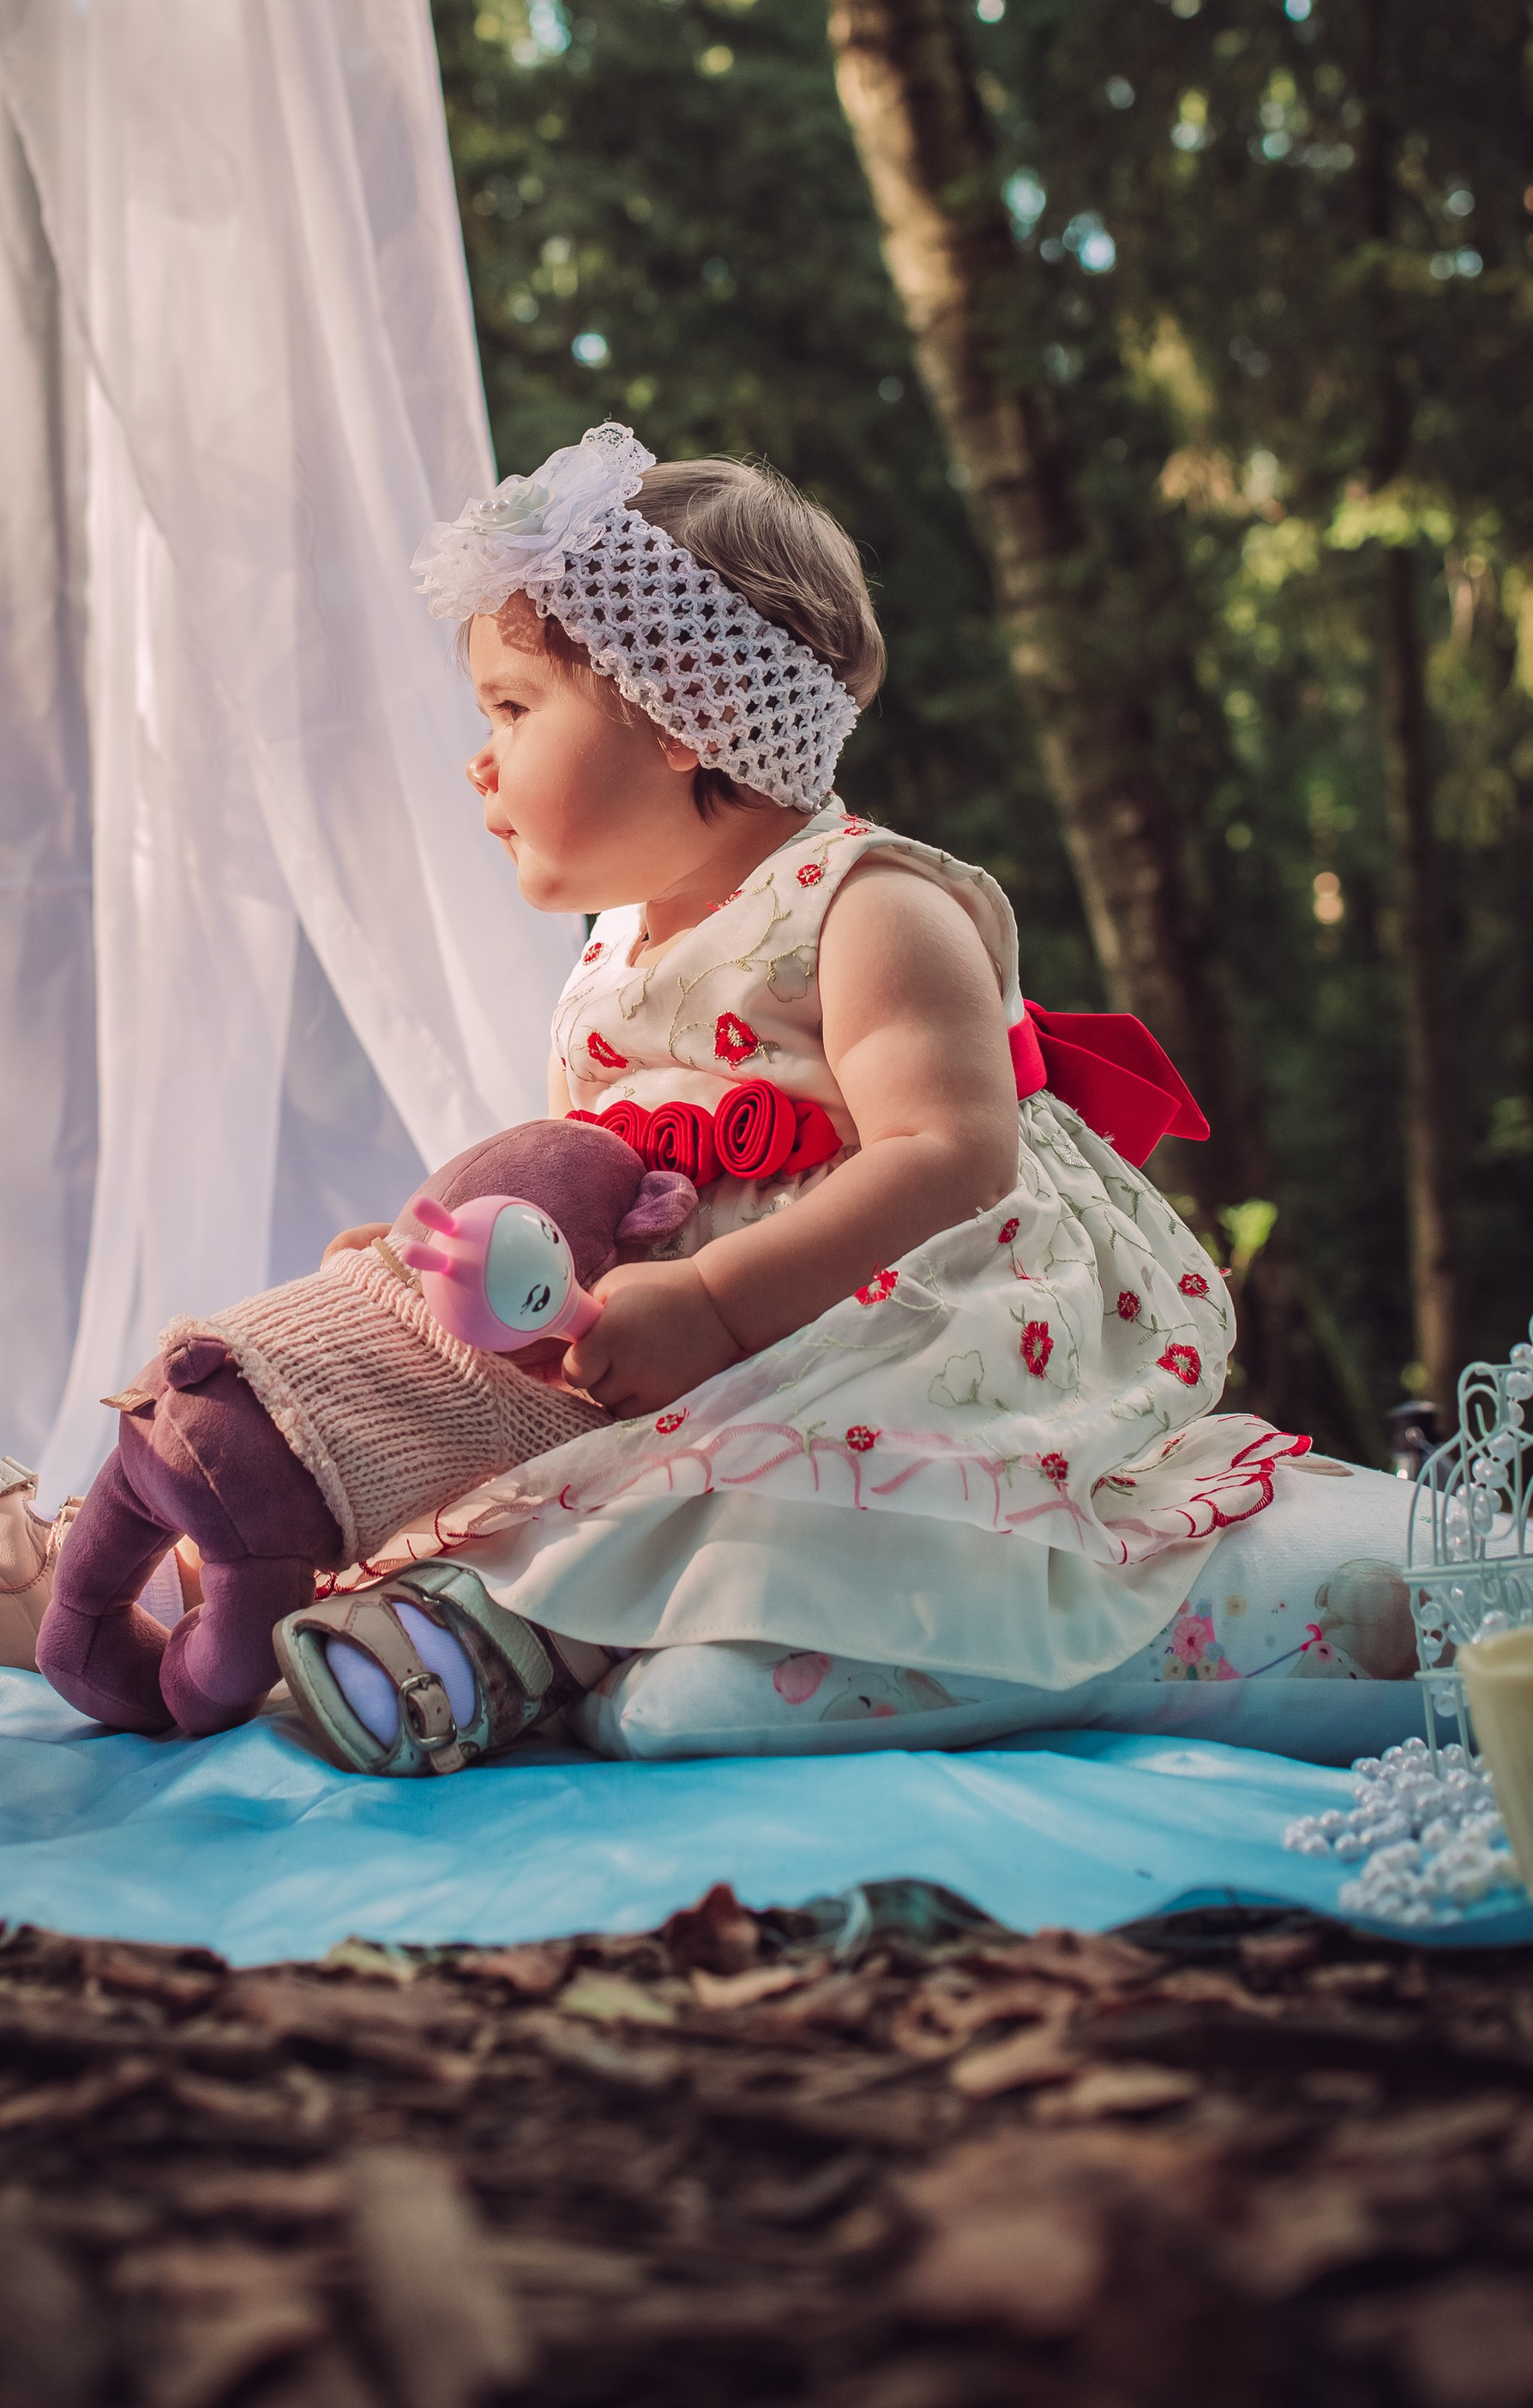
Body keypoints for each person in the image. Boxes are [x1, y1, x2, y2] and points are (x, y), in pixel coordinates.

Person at [273, 423, 1302, 1773]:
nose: (480, 758)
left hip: (880, 1308)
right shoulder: (613, 952)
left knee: (781, 1471)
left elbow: (951, 1153)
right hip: (678, 1328)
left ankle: (534, 1643)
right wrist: (456, 1251)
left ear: (681, 709)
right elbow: (580, 1169)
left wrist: (717, 1300)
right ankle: (339, 1590)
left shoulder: (868, 905)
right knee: (506, 1442)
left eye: (513, 709)